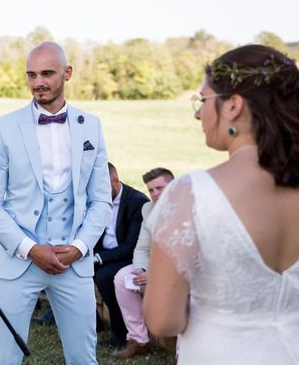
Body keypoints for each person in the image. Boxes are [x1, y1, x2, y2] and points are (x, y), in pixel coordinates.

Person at [144, 44, 299, 364]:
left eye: (203, 100)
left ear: (233, 107)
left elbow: (163, 320)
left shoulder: (192, 193)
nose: (198, 113)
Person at [0, 41, 112, 365]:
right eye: (31, 75)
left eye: (47, 73)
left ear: (67, 73)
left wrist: (80, 247)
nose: (38, 82)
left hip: (73, 263)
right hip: (19, 262)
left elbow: (101, 200)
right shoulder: (3, 128)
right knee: (3, 359)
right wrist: (29, 248)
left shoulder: (91, 125)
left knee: (83, 358)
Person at [111, 167, 174, 359]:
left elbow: (184, 256)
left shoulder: (188, 209)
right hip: (153, 268)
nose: (155, 194)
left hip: (180, 274)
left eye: (160, 188)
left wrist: (154, 275)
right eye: (151, 190)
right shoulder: (148, 209)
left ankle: (183, 353)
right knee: (122, 278)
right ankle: (139, 340)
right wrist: (141, 269)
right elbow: (141, 248)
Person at [92, 162, 148, 349]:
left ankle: (120, 333)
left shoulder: (136, 202)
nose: (99, 192)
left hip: (126, 256)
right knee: (76, 269)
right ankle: (93, 323)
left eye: (104, 187)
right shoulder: (96, 199)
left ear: (116, 181)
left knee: (104, 276)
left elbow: (131, 246)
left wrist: (98, 258)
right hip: (103, 253)